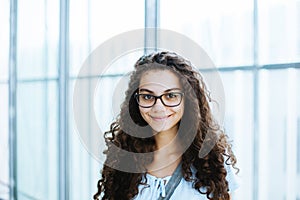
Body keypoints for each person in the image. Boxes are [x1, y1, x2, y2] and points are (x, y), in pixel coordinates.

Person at [94, 51, 239, 200]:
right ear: (136, 101)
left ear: (188, 100)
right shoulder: (123, 157)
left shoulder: (213, 159)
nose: (159, 108)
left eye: (170, 96)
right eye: (148, 96)